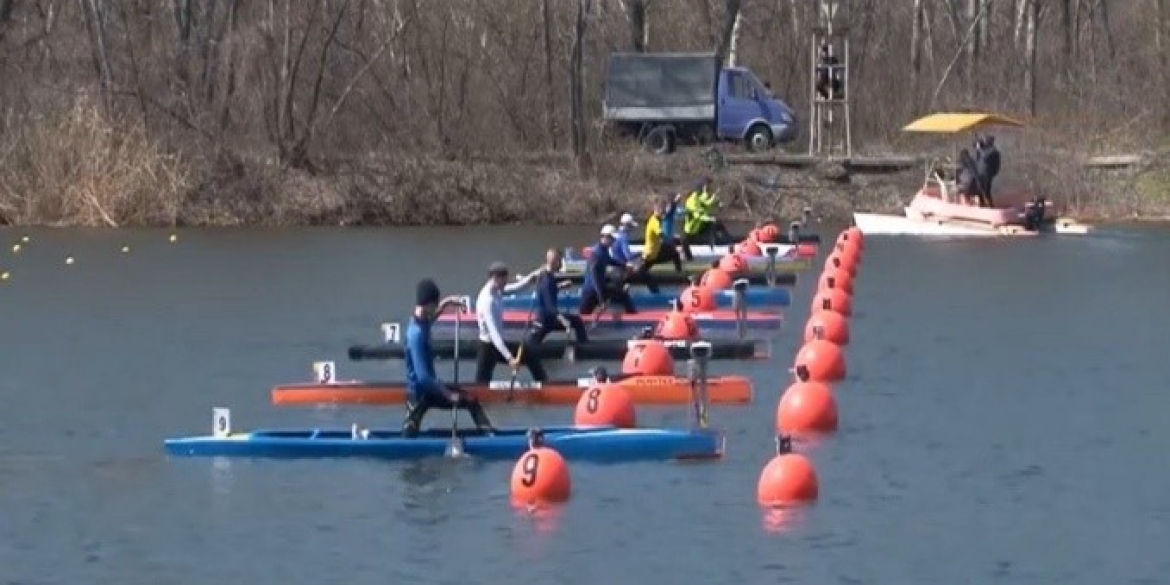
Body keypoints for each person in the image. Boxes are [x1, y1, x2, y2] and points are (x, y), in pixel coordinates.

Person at [402, 278, 495, 437]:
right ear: (428, 304)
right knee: (470, 400)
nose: (436, 307)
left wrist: (447, 303)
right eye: (435, 304)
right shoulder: (416, 334)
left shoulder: (421, 322)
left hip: (427, 390)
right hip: (420, 394)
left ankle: (489, 434)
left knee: (470, 399)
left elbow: (432, 319)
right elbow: (423, 377)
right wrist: (448, 395)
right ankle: (490, 440)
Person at [475, 261, 549, 384]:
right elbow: (494, 334)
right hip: (488, 347)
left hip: (498, 344)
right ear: (494, 278)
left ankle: (544, 386)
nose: (505, 283)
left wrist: (531, 277)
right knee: (481, 386)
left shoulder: (497, 289)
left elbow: (513, 288)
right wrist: (510, 359)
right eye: (503, 280)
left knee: (530, 354)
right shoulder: (486, 301)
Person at [527, 248, 589, 344]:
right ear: (554, 261)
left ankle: (582, 345)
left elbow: (548, 291)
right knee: (577, 321)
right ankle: (584, 346)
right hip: (546, 320)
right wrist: (563, 320)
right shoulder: (547, 280)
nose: (561, 264)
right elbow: (550, 306)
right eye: (560, 261)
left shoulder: (545, 275)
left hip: (546, 318)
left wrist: (560, 286)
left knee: (577, 321)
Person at [580, 225, 638, 316]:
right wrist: (601, 299)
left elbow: (609, 260)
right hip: (591, 291)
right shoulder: (596, 253)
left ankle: (633, 315)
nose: (614, 241)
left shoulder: (604, 249)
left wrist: (625, 265)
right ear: (605, 237)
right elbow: (594, 278)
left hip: (600, 288)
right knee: (583, 316)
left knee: (623, 295)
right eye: (613, 239)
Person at [630, 196, 683, 293]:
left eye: (663, 211)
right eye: (662, 211)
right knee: (639, 274)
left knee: (674, 253)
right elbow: (662, 235)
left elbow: (669, 213)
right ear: (657, 210)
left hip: (656, 252)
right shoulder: (654, 221)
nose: (663, 213)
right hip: (650, 255)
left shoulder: (657, 219)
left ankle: (680, 277)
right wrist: (674, 244)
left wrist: (674, 202)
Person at [975, 135, 1001, 207]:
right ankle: (982, 204)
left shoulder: (993, 150)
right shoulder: (985, 149)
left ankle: (991, 206)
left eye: (985, 141)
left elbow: (984, 157)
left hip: (987, 174)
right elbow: (978, 158)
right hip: (980, 172)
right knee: (979, 190)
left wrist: (979, 148)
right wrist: (978, 149)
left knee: (986, 191)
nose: (984, 142)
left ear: (989, 142)